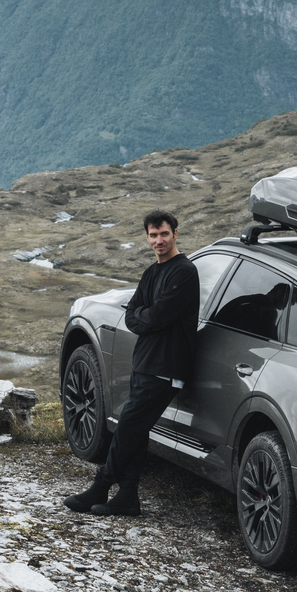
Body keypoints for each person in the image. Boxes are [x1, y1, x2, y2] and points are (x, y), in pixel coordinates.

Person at [64, 209, 199, 517]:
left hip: (166, 367)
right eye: (153, 235)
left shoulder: (184, 272)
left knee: (128, 426)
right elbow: (133, 316)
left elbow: (157, 316)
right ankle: (127, 496)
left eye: (164, 234)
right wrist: (145, 317)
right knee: (137, 430)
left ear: (175, 234)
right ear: (147, 237)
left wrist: (144, 317)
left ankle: (101, 485)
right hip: (145, 362)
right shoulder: (152, 272)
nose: (159, 240)